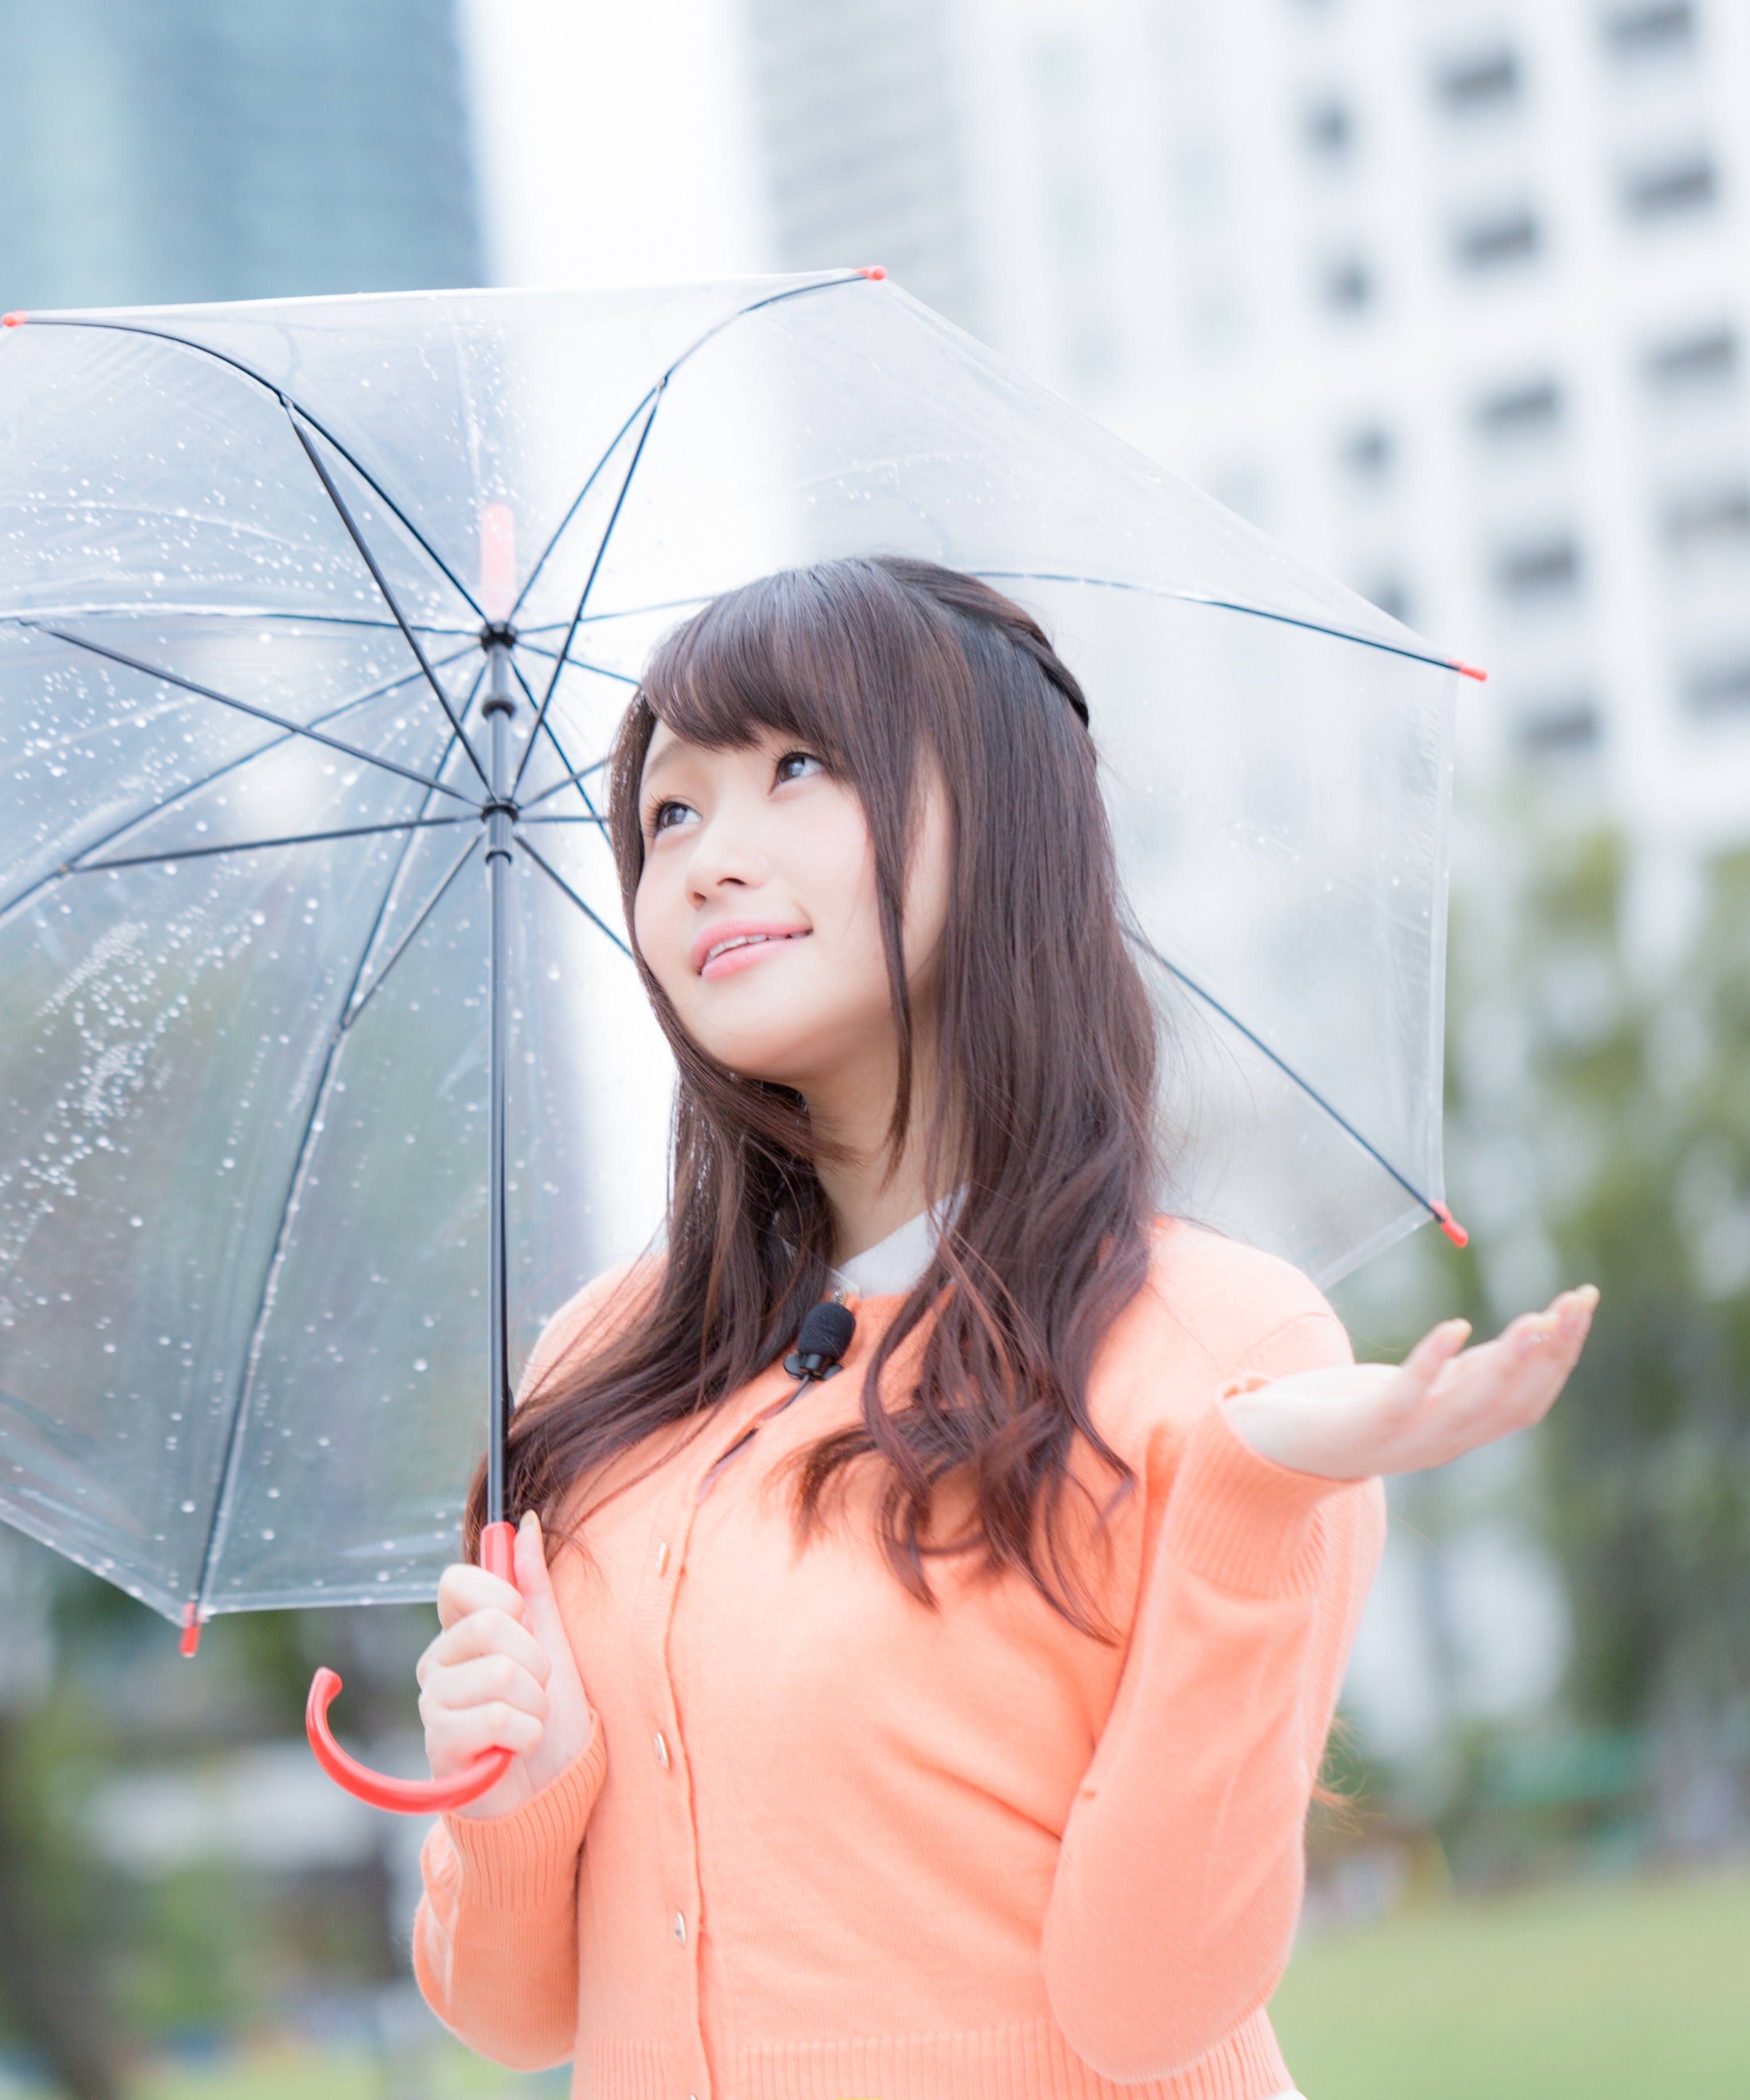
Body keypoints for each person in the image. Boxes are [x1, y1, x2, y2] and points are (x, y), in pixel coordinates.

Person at [407, 558, 1595, 2099]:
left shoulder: (1211, 1341)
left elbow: (1148, 2007)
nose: (703, 860)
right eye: (668, 814)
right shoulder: (600, 1368)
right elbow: (514, 2015)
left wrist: (1245, 1507)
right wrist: (516, 1781)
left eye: (796, 768)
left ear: (1001, 818)